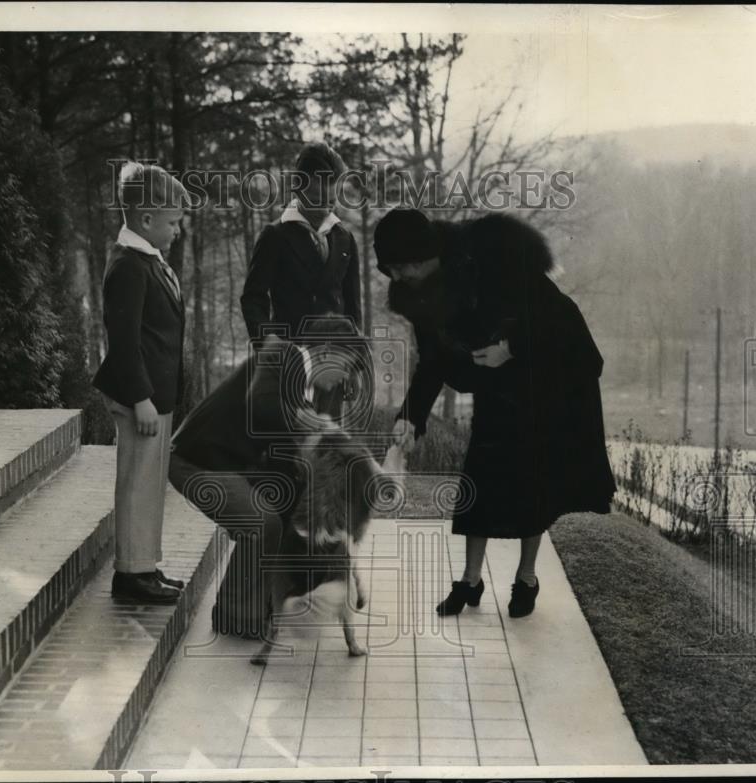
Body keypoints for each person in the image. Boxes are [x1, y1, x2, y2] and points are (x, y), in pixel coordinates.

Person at [374, 207, 616, 618]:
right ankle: (470, 581)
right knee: (479, 481)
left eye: (397, 268)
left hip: (541, 382)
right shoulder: (420, 294)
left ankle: (526, 578)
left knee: (532, 485)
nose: (395, 279)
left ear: (419, 257)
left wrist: (511, 347)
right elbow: (432, 361)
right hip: (495, 390)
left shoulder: (494, 254)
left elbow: (555, 317)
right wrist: (410, 418)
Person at [169, 315, 370, 638]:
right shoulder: (282, 354)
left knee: (285, 509)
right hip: (195, 461)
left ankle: (266, 606)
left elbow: (286, 459)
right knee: (261, 522)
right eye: (346, 365)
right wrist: (298, 421)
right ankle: (238, 618)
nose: (345, 376)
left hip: (228, 463)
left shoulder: (300, 389)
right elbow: (260, 405)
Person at [92, 162, 188, 604]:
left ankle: (145, 566)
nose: (177, 231)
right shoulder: (128, 265)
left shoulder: (148, 259)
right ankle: (130, 576)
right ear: (146, 220)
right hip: (140, 397)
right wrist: (142, 398)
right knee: (137, 484)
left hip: (155, 395)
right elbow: (125, 340)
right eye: (172, 222)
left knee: (150, 484)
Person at [240, 142, 362, 343]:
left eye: (330, 202)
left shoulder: (345, 239)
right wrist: (268, 339)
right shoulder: (275, 235)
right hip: (290, 354)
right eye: (316, 200)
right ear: (298, 190)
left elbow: (353, 307)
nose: (324, 210)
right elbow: (253, 298)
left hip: (334, 357)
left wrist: (355, 358)